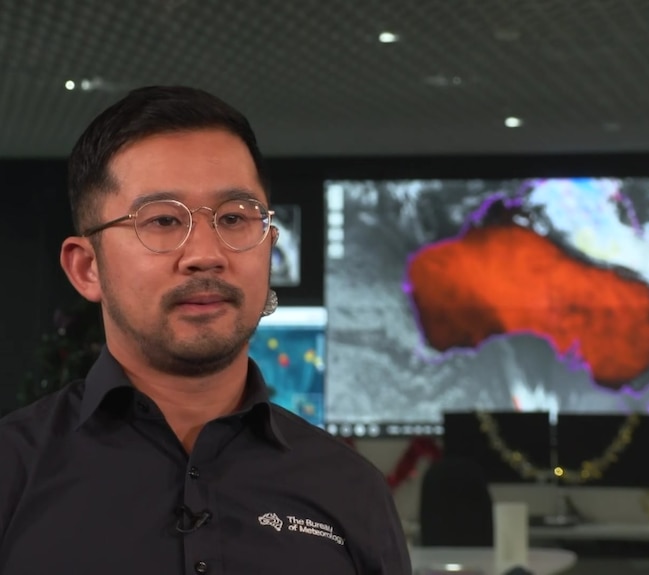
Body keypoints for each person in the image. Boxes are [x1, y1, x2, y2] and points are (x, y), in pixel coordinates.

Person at [0, 86, 412, 574]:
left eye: (235, 218)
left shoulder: (349, 488)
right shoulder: (13, 471)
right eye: (163, 220)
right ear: (87, 267)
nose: (205, 254)